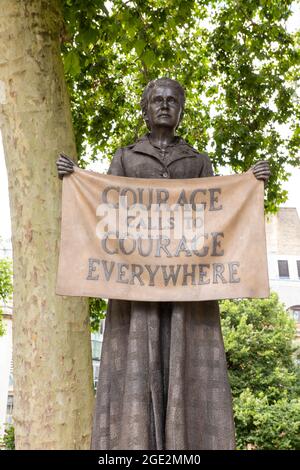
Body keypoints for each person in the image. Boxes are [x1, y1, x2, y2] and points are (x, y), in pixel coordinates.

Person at [56, 78, 270, 450]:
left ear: (181, 108)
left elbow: (218, 214)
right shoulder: (126, 157)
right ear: (146, 107)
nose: (165, 105)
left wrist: (250, 183)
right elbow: (103, 208)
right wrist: (75, 178)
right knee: (135, 369)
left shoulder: (198, 161)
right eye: (157, 99)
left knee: (188, 363)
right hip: (134, 287)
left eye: (172, 100)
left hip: (189, 288)